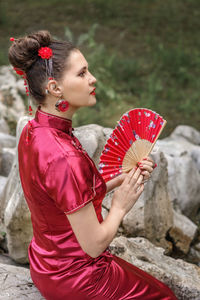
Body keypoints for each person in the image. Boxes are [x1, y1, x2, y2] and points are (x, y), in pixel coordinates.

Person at [8, 30, 178, 300]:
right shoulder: (63, 155)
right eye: (82, 73)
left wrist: (122, 180)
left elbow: (63, 201)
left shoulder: (35, 131)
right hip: (78, 278)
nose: (92, 79)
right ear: (54, 88)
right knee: (166, 296)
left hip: (45, 265)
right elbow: (94, 244)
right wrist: (121, 205)